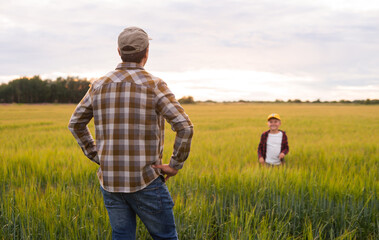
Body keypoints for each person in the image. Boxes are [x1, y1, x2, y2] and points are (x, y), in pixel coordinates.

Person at [68, 26, 194, 240]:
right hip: (146, 179)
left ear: (118, 51)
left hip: (110, 182)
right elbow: (185, 126)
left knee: (122, 236)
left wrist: (97, 155)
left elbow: (75, 124)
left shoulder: (98, 85)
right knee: (165, 237)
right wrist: (174, 165)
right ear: (147, 52)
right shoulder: (154, 85)